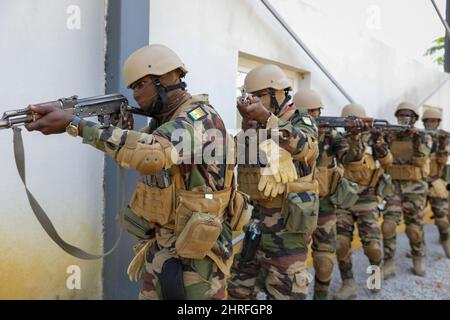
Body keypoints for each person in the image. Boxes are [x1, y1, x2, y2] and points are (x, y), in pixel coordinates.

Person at [24, 44, 245, 300]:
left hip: (198, 255)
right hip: (164, 245)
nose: (136, 96)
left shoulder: (199, 118)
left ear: (163, 80)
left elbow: (151, 155)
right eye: (133, 88)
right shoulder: (165, 121)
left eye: (140, 86)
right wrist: (121, 131)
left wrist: (77, 126)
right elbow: (146, 155)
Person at [228, 64, 319, 300]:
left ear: (279, 93)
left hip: (288, 229)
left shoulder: (301, 120)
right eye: (251, 96)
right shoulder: (255, 125)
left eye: (260, 96)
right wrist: (248, 130)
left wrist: (268, 120)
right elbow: (237, 156)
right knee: (238, 288)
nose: (254, 101)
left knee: (284, 291)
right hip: (257, 222)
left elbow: (306, 146)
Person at [293, 88, 350, 300]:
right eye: (310, 112)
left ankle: (321, 296)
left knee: (324, 259)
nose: (314, 117)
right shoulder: (288, 133)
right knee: (292, 261)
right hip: (296, 205)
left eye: (317, 112)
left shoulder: (331, 135)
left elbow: (350, 157)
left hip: (325, 204)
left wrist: (356, 135)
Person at [334, 103, 392, 300]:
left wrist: (378, 140)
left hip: (367, 198)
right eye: (350, 122)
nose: (354, 125)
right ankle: (348, 283)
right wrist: (354, 137)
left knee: (373, 247)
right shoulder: (340, 140)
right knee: (341, 243)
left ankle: (375, 276)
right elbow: (350, 158)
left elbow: (387, 161)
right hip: (344, 199)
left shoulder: (373, 139)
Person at [382, 102, 432, 277]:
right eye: (400, 115)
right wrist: (379, 138)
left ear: (415, 118)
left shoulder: (423, 136)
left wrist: (416, 137)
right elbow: (383, 158)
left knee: (414, 228)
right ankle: (388, 264)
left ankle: (417, 258)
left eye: (407, 115)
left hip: (415, 188)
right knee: (388, 225)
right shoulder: (390, 135)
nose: (403, 118)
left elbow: (420, 160)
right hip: (393, 187)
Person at [421, 106, 450, 258]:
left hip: (436, 182)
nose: (431, 124)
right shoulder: (418, 136)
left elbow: (443, 160)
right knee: (416, 220)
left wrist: (443, 143)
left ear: (438, 122)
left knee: (442, 219)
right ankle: (418, 248)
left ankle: (446, 241)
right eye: (428, 121)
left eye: (434, 121)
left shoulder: (444, 137)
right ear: (424, 122)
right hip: (418, 183)